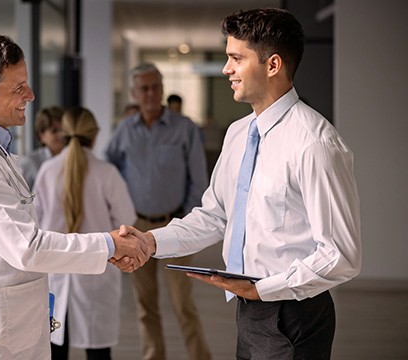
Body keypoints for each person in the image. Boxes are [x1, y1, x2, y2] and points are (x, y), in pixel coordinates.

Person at [114, 8, 362, 359]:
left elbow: (341, 255)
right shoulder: (239, 133)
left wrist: (263, 289)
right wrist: (150, 241)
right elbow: (214, 217)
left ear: (272, 65)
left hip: (294, 313)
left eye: (235, 58)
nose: (226, 69)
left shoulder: (315, 143)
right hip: (250, 309)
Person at [0, 31, 150, 359]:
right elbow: (28, 248)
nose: (30, 95)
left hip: (12, 326)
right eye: (18, 88)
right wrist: (111, 244)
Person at [106, 63, 211, 360]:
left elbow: (198, 180)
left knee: (183, 304)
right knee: (145, 304)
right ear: (134, 93)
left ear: (162, 90)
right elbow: (108, 169)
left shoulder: (185, 128)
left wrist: (189, 221)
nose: (150, 94)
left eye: (155, 87)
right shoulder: (124, 130)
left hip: (174, 225)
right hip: (136, 227)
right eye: (144, 89)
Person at [34, 107, 137, 360]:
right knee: (98, 352)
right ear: (94, 136)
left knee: (55, 348)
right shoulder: (107, 173)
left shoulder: (47, 170)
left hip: (55, 274)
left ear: (64, 134)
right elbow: (127, 222)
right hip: (97, 275)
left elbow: (34, 221)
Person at [19, 106, 65, 189]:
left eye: (64, 130)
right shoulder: (29, 162)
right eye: (54, 131)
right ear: (41, 136)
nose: (61, 135)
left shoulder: (73, 159)